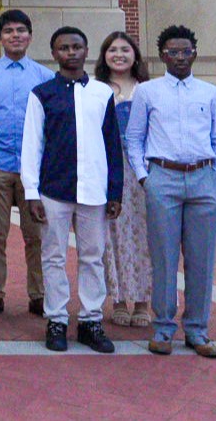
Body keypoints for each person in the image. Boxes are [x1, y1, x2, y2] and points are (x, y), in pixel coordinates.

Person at [125, 25, 216, 359]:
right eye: (173, 52)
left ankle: (198, 330)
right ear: (162, 56)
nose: (180, 57)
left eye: (186, 51)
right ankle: (164, 328)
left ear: (195, 53)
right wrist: (145, 177)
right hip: (163, 180)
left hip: (203, 180)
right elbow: (134, 137)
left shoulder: (210, 93)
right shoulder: (148, 92)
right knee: (165, 258)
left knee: (201, 260)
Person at [22, 27, 122, 354]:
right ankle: (57, 320)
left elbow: (112, 146)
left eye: (76, 46)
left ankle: (91, 320)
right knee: (53, 256)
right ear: (54, 54)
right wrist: (32, 191)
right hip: (54, 188)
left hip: (94, 189)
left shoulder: (102, 93)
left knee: (93, 256)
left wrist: (115, 191)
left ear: (86, 50)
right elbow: (32, 145)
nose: (71, 52)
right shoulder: (42, 94)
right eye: (64, 47)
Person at [0, 9, 52, 320]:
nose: (15, 35)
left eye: (21, 30)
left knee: (36, 235)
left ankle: (39, 295)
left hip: (34, 170)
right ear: (0, 38)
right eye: (8, 31)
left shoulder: (44, 76)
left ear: (30, 36)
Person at [95, 31, 153, 328]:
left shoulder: (148, 89)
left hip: (142, 172)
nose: (119, 54)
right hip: (108, 171)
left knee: (143, 236)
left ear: (135, 55)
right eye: (112, 49)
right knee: (111, 236)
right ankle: (118, 299)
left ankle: (143, 301)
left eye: (125, 49)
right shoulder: (95, 89)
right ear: (104, 55)